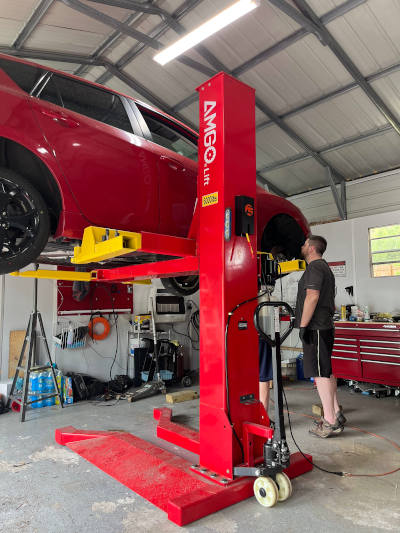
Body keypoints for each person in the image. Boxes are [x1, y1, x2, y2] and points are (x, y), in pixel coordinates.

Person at [295, 235, 346, 438]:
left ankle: (329, 422)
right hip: (323, 326)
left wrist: (303, 325)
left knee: (320, 374)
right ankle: (335, 413)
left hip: (315, 327)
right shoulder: (324, 267)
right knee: (326, 371)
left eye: (304, 243)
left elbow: (312, 296)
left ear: (311, 248)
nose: (302, 245)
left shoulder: (315, 267)